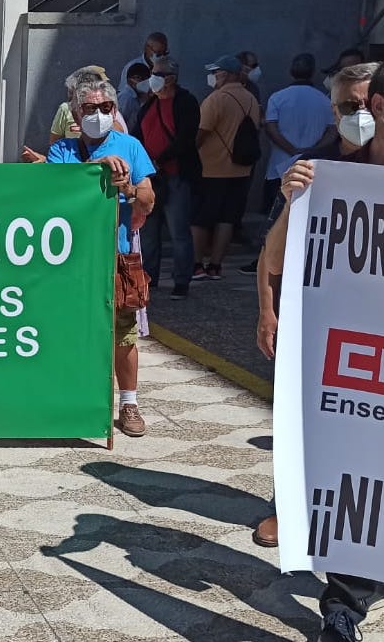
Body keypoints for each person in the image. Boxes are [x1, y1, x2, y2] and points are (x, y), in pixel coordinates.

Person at [255, 61, 383, 642]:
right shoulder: (326, 177)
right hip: (354, 360)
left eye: (364, 104)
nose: (357, 117)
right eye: (349, 108)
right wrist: (292, 202)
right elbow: (276, 259)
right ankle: (344, 609)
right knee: (360, 470)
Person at [48, 79, 156, 437]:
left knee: (122, 334)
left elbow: (147, 202)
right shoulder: (62, 150)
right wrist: (96, 166)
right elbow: (52, 193)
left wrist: (126, 187)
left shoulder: (130, 146)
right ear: (76, 113)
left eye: (105, 108)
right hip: (69, 260)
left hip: (118, 255)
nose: (98, 114)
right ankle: (71, 400)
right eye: (90, 109)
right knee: (68, 331)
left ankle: (128, 403)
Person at [239, 53, 335, 275]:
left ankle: (265, 261)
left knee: (274, 218)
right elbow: (332, 130)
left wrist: (291, 150)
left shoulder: (278, 97)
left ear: (291, 71)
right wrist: (312, 151)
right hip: (313, 166)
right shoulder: (324, 99)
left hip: (279, 167)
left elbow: (271, 128)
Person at [131, 57, 200, 300]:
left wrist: (159, 159)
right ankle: (150, 278)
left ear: (170, 78)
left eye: (158, 73)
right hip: (150, 178)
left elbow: (186, 138)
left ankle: (182, 281)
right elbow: (136, 135)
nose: (153, 77)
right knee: (149, 230)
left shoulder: (186, 102)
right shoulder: (149, 104)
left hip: (176, 176)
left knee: (178, 231)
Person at [192, 55, 259, 280]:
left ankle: (197, 264)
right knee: (227, 219)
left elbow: (201, 132)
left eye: (217, 72)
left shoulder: (216, 99)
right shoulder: (250, 98)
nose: (213, 76)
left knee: (200, 219)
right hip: (241, 169)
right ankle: (216, 266)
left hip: (212, 168)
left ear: (228, 74)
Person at [119, 62, 152, 129]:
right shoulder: (127, 97)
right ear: (129, 80)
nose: (143, 81)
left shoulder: (138, 97)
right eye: (138, 78)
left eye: (146, 78)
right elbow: (119, 122)